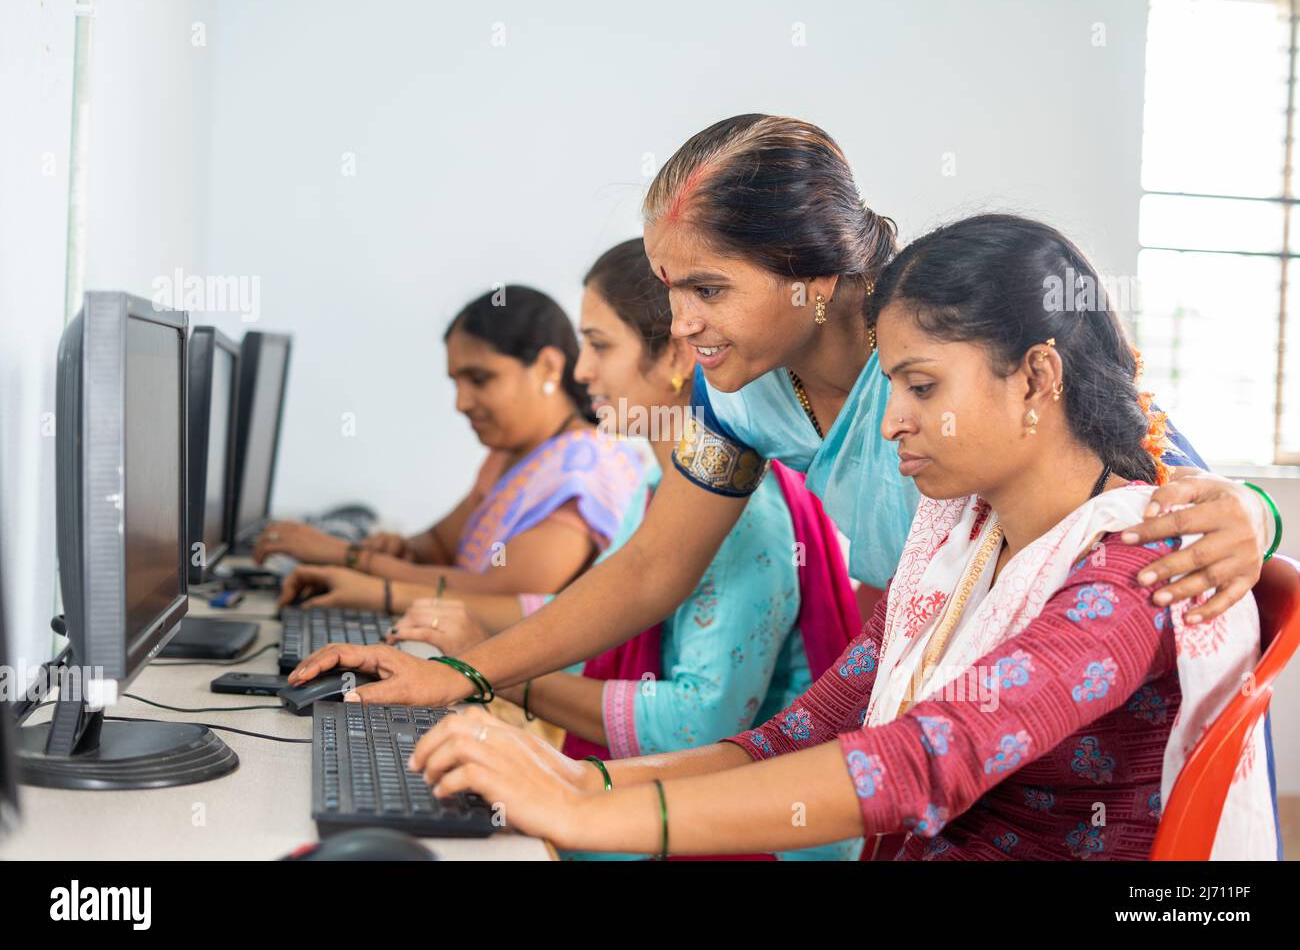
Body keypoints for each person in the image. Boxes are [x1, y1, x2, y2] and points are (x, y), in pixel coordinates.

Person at [285, 114, 1275, 712]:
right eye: (671, 289)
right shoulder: (738, 392)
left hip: (1048, 694)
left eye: (707, 288)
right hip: (918, 670)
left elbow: (1152, 457)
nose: (680, 324)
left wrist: (1256, 512)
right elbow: (647, 568)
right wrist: (465, 670)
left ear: (814, 274)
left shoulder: (952, 340)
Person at [397, 214, 1277, 860]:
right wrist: (580, 785)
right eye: (891, 385)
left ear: (1037, 376)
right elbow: (805, 729)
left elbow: (924, 762)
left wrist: (589, 815)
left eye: (923, 387)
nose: (889, 422)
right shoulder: (959, 538)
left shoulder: (1137, 568)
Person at [390, 239, 865, 860]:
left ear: (673, 353)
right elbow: (587, 603)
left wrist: (489, 675)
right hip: (665, 794)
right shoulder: (654, 484)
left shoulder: (747, 512)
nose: (581, 372)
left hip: (736, 828)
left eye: (599, 345)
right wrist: (460, 651)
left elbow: (701, 725)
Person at [257, 285, 644, 614]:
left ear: (547, 367)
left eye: (479, 378)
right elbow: (439, 546)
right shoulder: (509, 455)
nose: (461, 402)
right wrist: (396, 549)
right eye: (456, 382)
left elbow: (502, 595)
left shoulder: (584, 468)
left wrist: (347, 557)